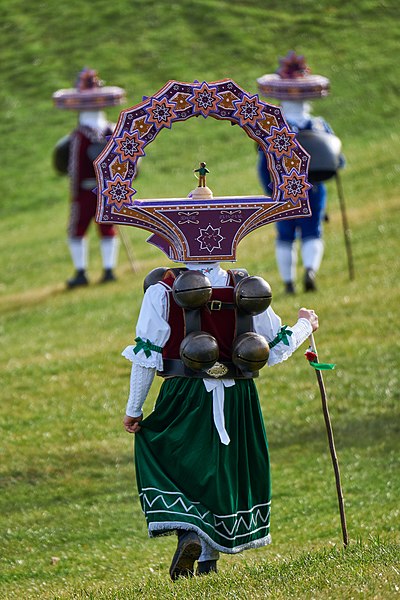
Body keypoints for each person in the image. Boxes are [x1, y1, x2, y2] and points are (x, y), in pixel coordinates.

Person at [122, 250, 319, 580]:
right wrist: (304, 323)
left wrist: (133, 409)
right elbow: (275, 348)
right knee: (222, 470)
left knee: (174, 463)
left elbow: (146, 356)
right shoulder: (245, 287)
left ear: (177, 244)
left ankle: (191, 536)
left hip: (183, 393)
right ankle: (208, 562)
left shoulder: (162, 288)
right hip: (237, 397)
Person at [257, 51, 344, 294]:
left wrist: (269, 191)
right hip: (314, 188)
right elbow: (337, 159)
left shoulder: (274, 127)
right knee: (312, 231)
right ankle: (310, 269)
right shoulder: (319, 125)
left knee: (285, 235)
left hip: (283, 190)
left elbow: (263, 165)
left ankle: (288, 283)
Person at [53, 68, 126, 288]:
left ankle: (83, 271)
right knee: (107, 228)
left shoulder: (80, 135)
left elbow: (75, 167)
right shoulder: (111, 131)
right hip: (106, 189)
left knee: (78, 229)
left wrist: (74, 193)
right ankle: (108, 269)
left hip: (86, 190)